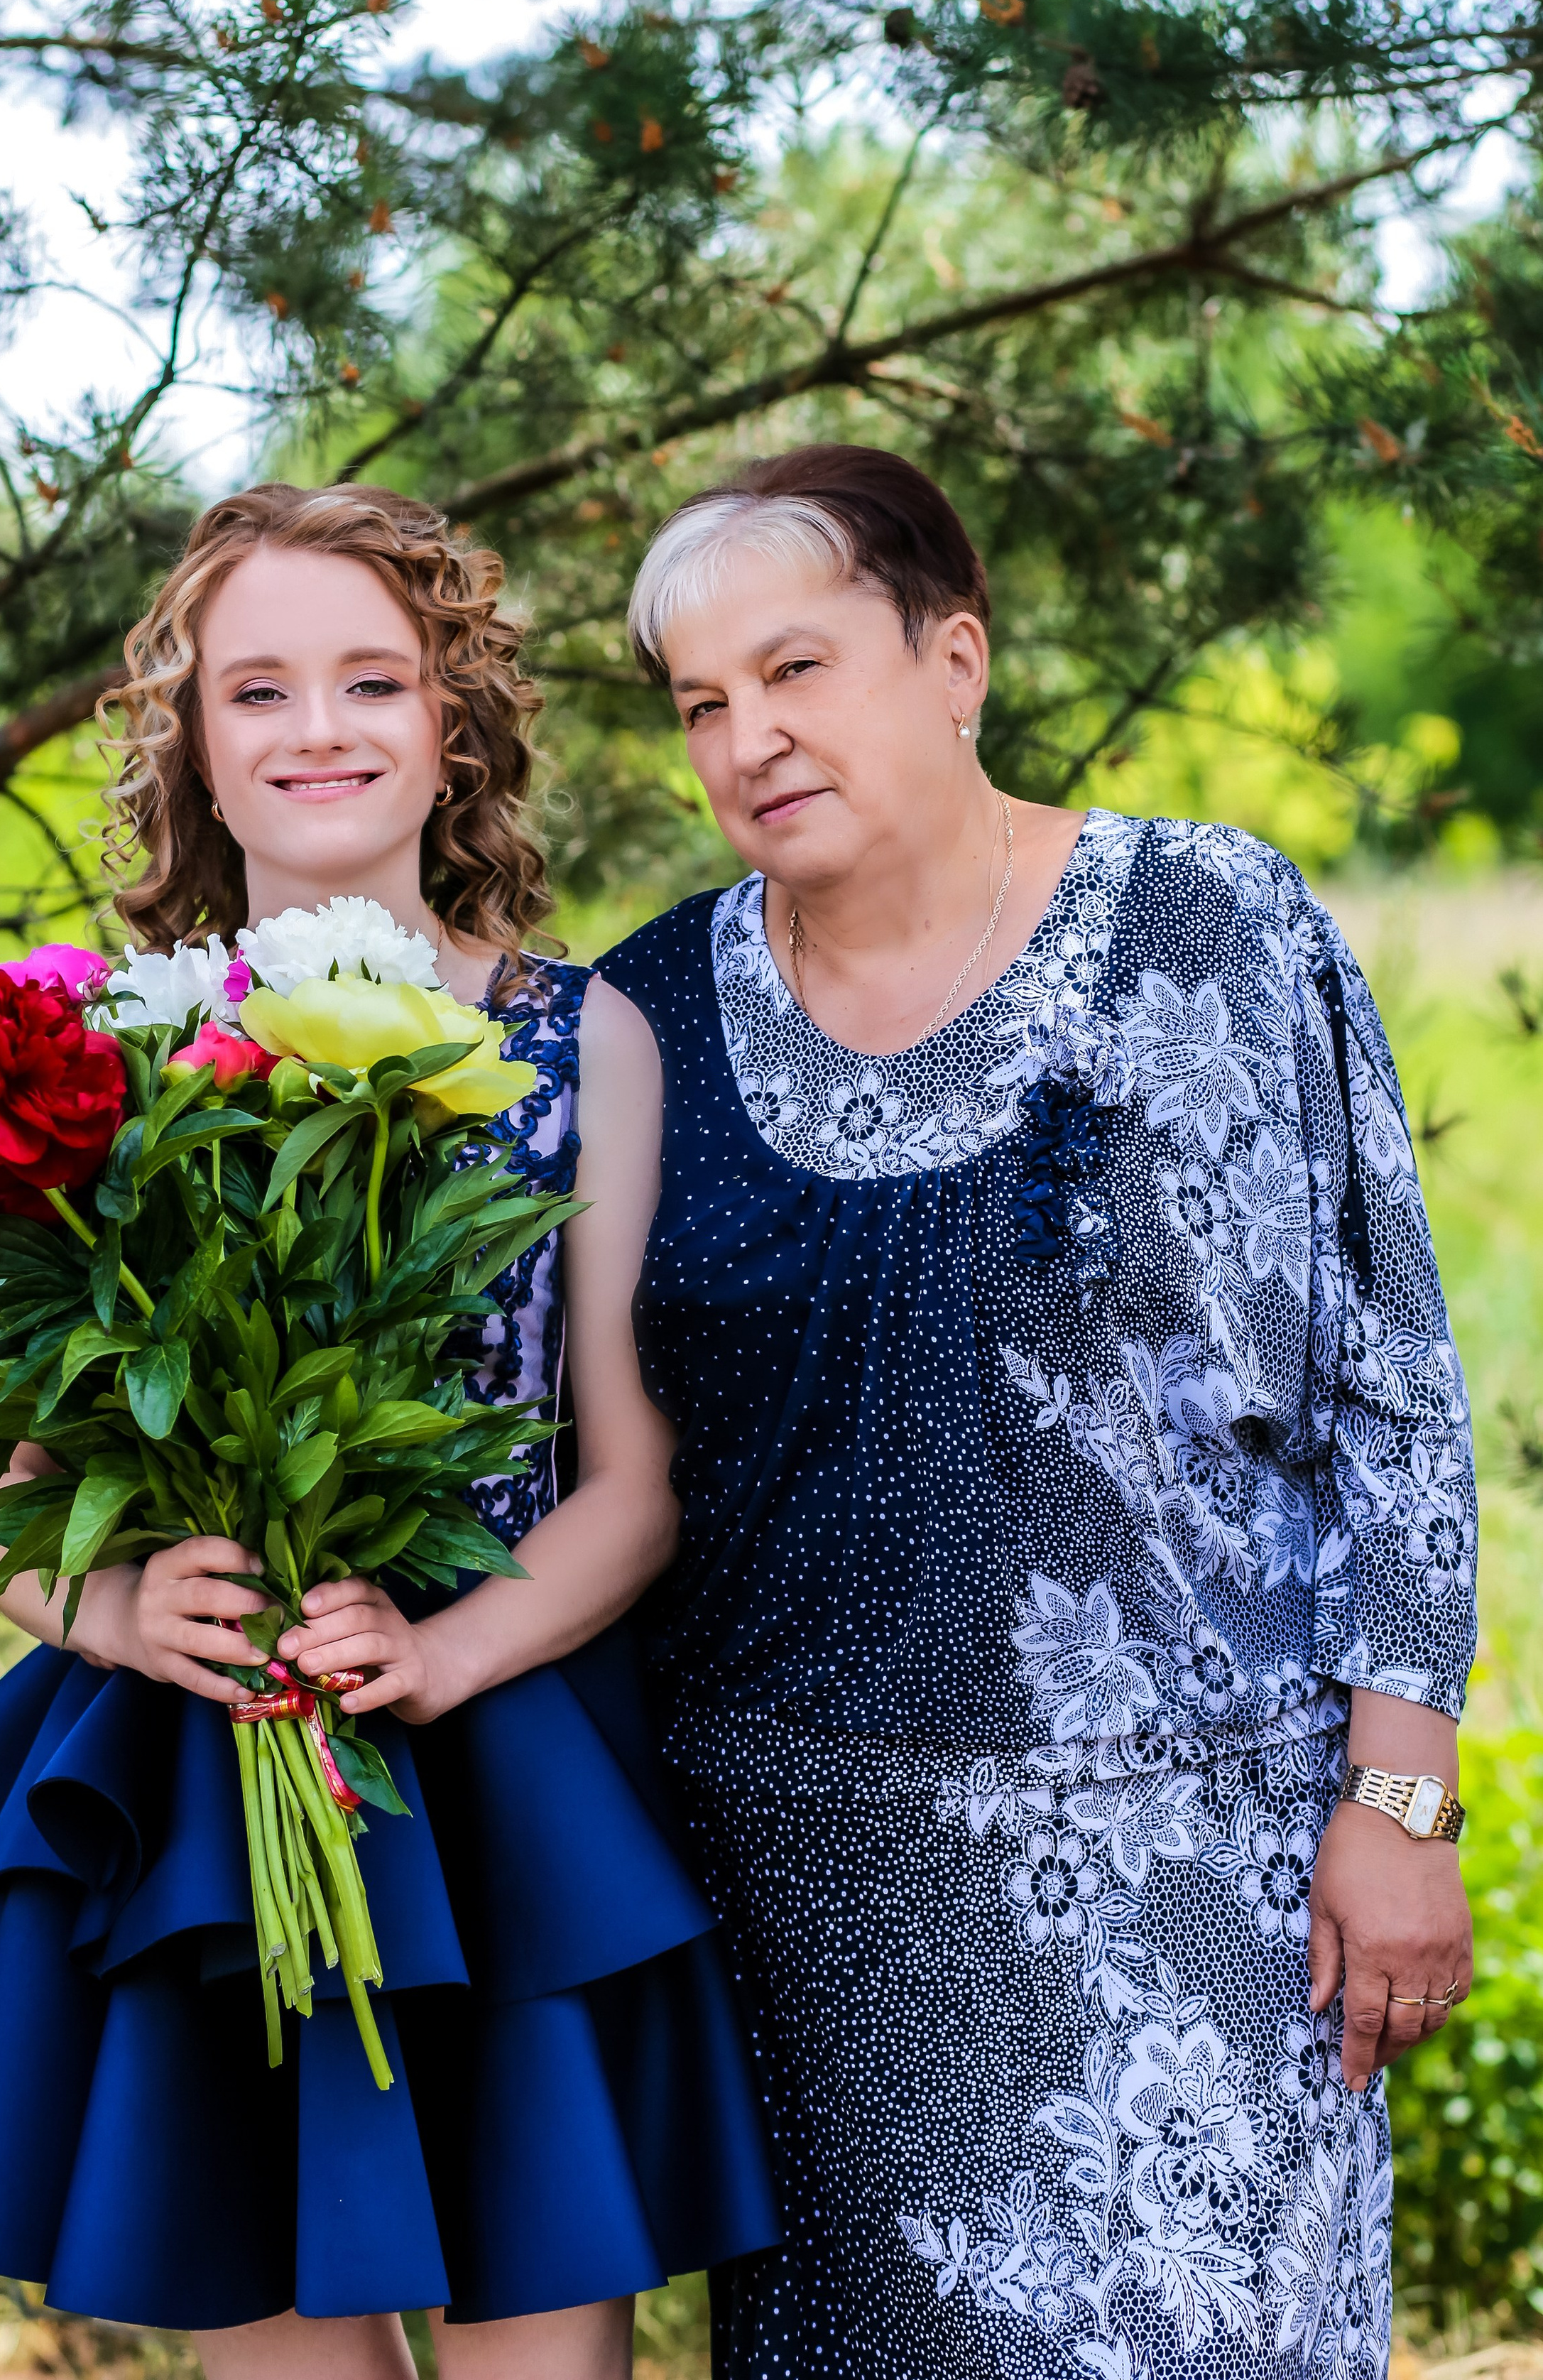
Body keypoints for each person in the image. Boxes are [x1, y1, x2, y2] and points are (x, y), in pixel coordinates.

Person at [0, 484, 780, 2380]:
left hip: (508, 1754)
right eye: (258, 691)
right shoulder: (94, 1055)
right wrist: (113, 1616)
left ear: (455, 730)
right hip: (217, 1783)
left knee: (546, 2336)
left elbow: (631, 1481)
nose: (321, 729)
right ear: (194, 746)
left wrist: (443, 1649)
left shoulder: (573, 1036)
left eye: (373, 681)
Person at [597, 442, 1475, 2380]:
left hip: (1208, 1874)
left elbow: (1389, 1389)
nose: (750, 737)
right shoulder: (644, 1017)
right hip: (822, 1924)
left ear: (955, 659)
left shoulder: (1211, 927)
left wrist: (1400, 1800)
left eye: (798, 669)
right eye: (703, 704)